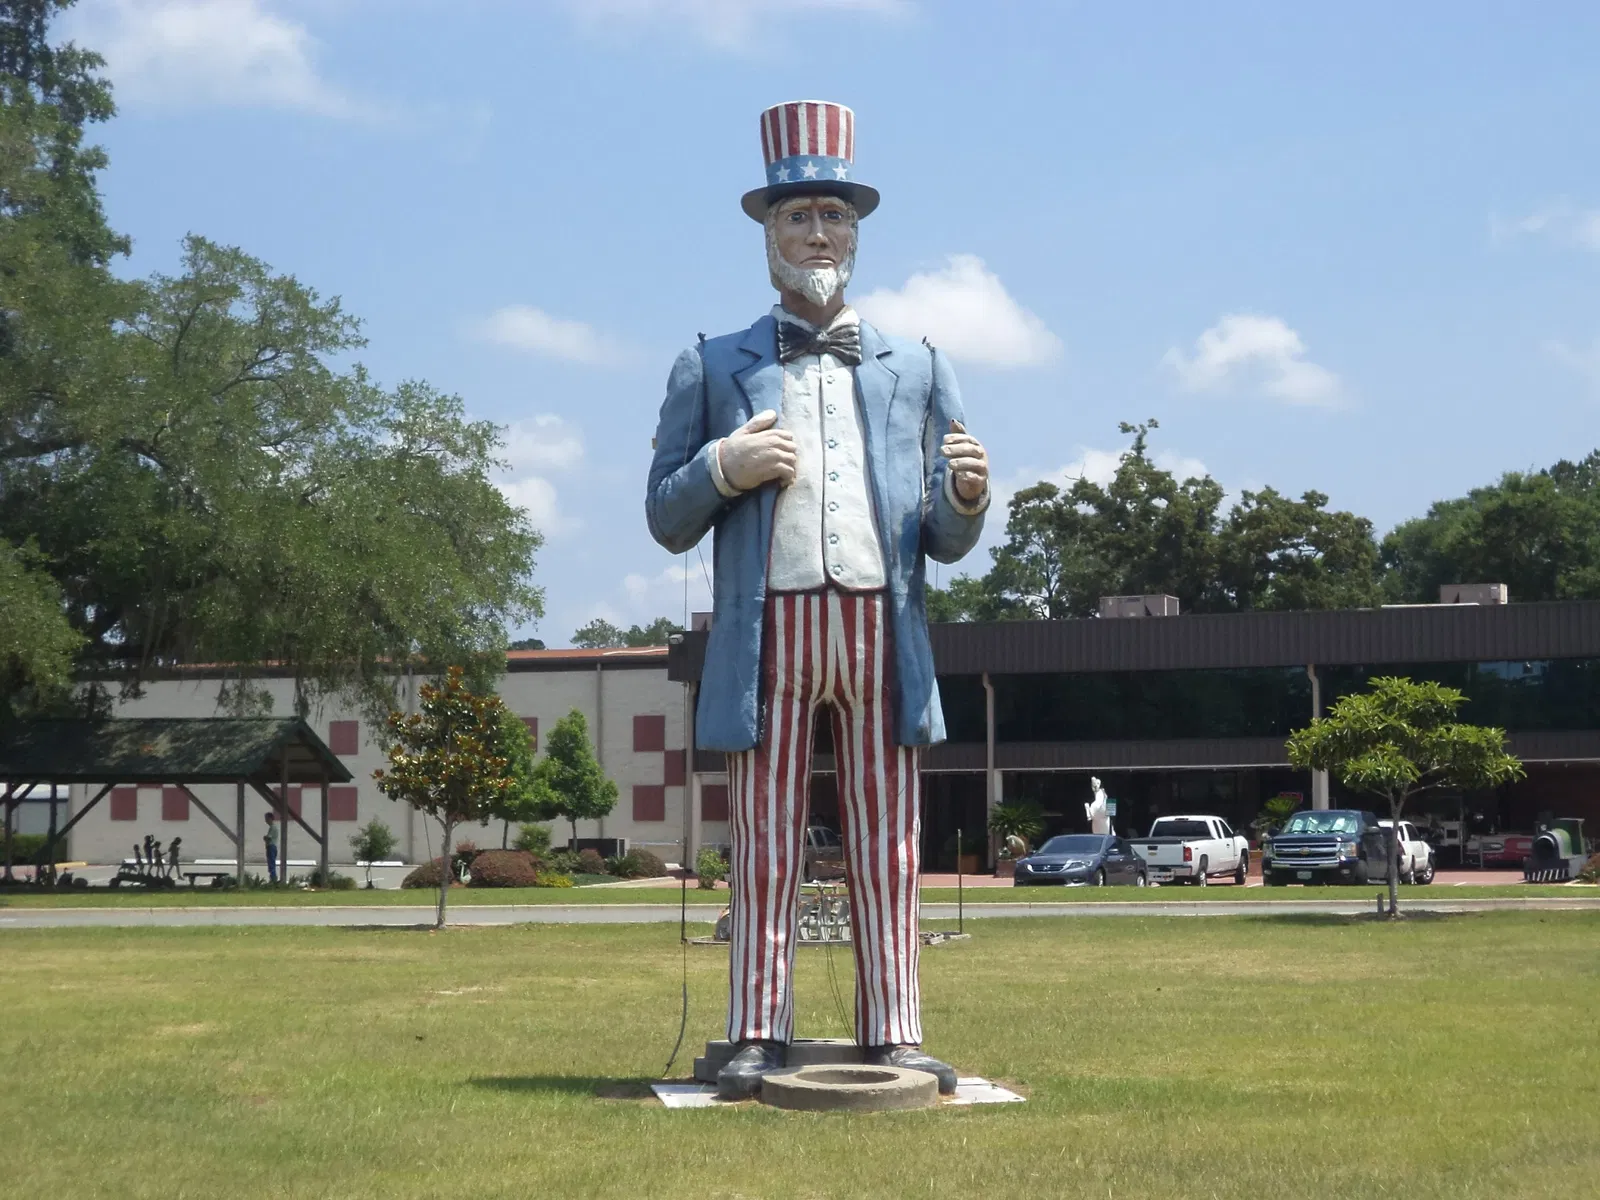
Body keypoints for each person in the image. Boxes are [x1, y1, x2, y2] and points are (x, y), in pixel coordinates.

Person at [646, 101, 990, 1100]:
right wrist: (725, 464)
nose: (816, 235)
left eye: (833, 216)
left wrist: (966, 499)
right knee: (763, 838)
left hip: (882, 625)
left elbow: (942, 533)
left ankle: (896, 1028)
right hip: (770, 630)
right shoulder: (712, 363)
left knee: (889, 836)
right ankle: (758, 1027)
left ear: (856, 233)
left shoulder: (916, 364)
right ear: (765, 235)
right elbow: (667, 514)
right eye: (796, 217)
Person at [264, 813, 280, 883]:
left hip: (271, 847)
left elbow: (269, 838)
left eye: (266, 818)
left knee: (271, 864)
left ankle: (273, 879)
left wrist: (265, 837)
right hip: (272, 847)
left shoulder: (272, 827)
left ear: (270, 819)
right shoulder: (273, 827)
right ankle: (273, 878)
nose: (266, 820)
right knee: (271, 863)